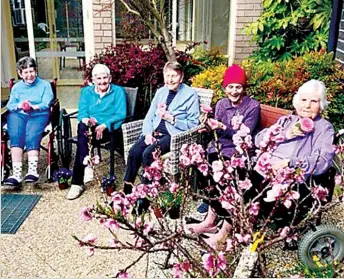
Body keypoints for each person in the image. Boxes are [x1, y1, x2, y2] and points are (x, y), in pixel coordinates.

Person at [186, 64, 260, 247]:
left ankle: (226, 229)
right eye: (230, 87)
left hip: (237, 152)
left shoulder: (252, 106)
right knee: (202, 169)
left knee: (222, 178)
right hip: (217, 148)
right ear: (224, 87)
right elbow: (215, 131)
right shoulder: (221, 104)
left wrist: (222, 127)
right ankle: (210, 220)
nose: (234, 91)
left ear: (244, 88)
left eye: (238, 87)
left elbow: (245, 134)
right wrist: (208, 127)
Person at [123, 61, 200, 196]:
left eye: (174, 76)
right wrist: (147, 133)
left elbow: (193, 124)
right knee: (134, 152)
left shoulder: (190, 94)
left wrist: (172, 119)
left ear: (181, 77)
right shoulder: (161, 92)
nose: (170, 80)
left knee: (148, 154)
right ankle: (127, 191)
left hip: (174, 136)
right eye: (167, 76)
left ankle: (147, 195)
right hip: (155, 132)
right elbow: (149, 116)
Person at [66, 64, 127, 200]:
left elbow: (121, 114)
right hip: (91, 128)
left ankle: (77, 182)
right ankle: (86, 164)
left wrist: (105, 125)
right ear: (93, 80)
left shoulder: (118, 91)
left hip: (110, 130)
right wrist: (86, 120)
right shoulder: (87, 92)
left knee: (83, 139)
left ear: (110, 78)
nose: (102, 81)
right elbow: (82, 112)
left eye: (105, 77)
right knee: (83, 129)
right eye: (98, 78)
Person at [3, 56, 54, 187]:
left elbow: (47, 102)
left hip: (38, 114)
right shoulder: (17, 87)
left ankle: (32, 172)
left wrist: (34, 107)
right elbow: (10, 105)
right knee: (16, 136)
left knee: (32, 135)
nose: (29, 75)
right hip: (19, 115)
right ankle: (16, 174)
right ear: (20, 73)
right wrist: (19, 105)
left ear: (36, 71)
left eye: (31, 71)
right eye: (25, 72)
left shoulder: (45, 85)